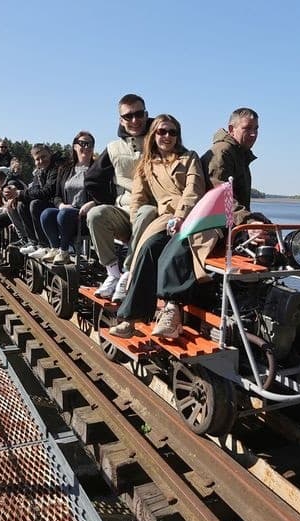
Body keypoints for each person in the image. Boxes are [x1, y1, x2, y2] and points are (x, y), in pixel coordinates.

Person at [108, 114, 212, 339]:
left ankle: (172, 311)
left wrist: (182, 216)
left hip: (193, 219)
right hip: (165, 220)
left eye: (172, 132)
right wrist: (136, 226)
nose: (167, 136)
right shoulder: (146, 165)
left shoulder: (188, 158)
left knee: (175, 250)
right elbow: (138, 198)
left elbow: (193, 189)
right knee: (148, 248)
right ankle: (131, 318)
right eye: (162, 131)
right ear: (153, 134)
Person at [83, 93, 157, 300]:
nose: (134, 120)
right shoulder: (114, 148)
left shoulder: (160, 139)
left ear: (146, 114)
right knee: (96, 214)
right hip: (125, 209)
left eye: (139, 114)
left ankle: (127, 273)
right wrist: (106, 202)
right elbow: (92, 179)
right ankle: (113, 274)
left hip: (152, 212)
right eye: (128, 116)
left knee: (147, 211)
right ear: (121, 120)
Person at [35, 131, 96, 264]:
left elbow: (105, 194)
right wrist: (61, 205)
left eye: (90, 144)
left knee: (64, 214)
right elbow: (57, 196)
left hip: (85, 215)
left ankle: (64, 251)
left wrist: (92, 203)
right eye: (83, 143)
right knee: (46, 214)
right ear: (75, 146)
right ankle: (55, 248)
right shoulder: (65, 169)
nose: (87, 147)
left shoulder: (97, 169)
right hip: (66, 210)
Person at [201, 107, 263, 227]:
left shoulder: (241, 154)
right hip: (217, 227)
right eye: (247, 128)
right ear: (231, 129)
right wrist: (248, 221)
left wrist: (252, 217)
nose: (253, 134)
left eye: (256, 129)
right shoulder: (222, 152)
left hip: (232, 222)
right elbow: (221, 196)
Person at [13, 144, 63, 255]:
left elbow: (47, 192)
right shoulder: (40, 171)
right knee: (22, 204)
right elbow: (35, 189)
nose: (41, 161)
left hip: (58, 203)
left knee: (35, 204)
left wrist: (20, 193)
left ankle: (44, 245)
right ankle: (33, 242)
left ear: (50, 154)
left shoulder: (56, 168)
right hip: (48, 203)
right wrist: (20, 195)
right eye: (37, 159)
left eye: (44, 156)